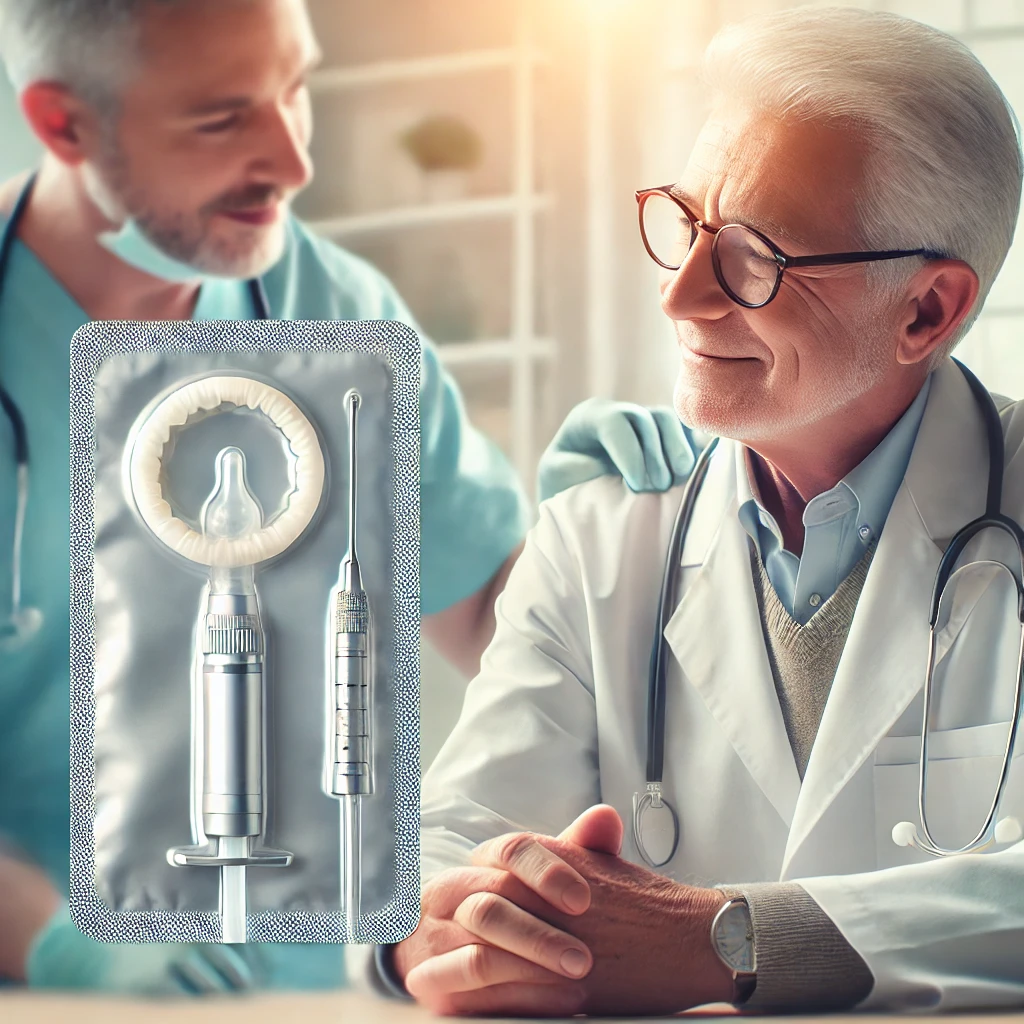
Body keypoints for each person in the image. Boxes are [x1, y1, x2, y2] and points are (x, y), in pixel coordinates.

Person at [0, 0, 692, 995]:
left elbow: (498, 628)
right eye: (222, 118)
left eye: (297, 89)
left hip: (333, 982)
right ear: (63, 123)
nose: (291, 161)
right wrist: (58, 946)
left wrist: (582, 546)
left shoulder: (340, 315)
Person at [369, 7, 1024, 1016]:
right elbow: (444, 840)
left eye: (754, 258)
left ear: (925, 310)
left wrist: (729, 943)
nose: (679, 297)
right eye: (685, 222)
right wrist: (446, 932)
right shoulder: (601, 531)